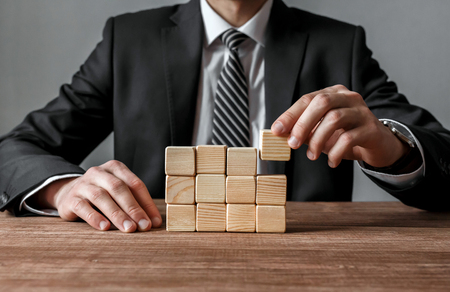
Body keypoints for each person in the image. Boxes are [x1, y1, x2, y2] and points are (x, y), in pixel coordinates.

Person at [1, 0, 449, 233]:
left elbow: (441, 154)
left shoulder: (339, 45)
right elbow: (15, 150)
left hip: (304, 262)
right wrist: (63, 189)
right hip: (149, 252)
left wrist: (391, 147)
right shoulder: (129, 40)